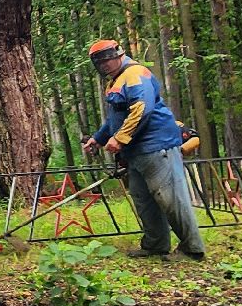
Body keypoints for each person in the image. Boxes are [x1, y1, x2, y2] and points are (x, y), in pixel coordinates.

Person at [81, 40, 206, 260]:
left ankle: (192, 249)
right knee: (143, 199)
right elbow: (114, 118)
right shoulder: (115, 82)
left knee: (171, 199)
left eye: (107, 60)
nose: (104, 66)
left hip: (156, 146)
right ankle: (155, 244)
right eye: (99, 63)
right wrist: (98, 139)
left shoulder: (135, 73)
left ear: (119, 54)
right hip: (136, 151)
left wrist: (119, 139)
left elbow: (142, 108)